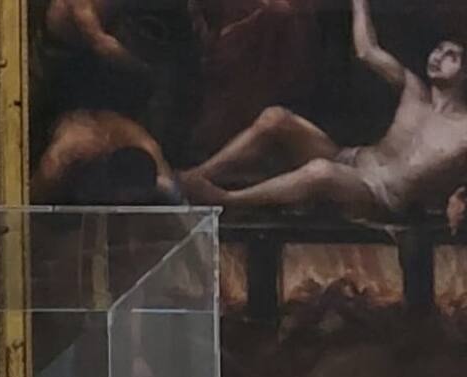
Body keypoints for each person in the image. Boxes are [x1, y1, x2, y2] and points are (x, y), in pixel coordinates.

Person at [182, 0, 467, 221]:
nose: (438, 57)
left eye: (450, 56)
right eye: (438, 50)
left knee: (321, 173)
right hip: (353, 161)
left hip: (377, 196)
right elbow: (366, 50)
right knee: (276, 119)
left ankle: (228, 200)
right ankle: (196, 176)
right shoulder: (413, 89)